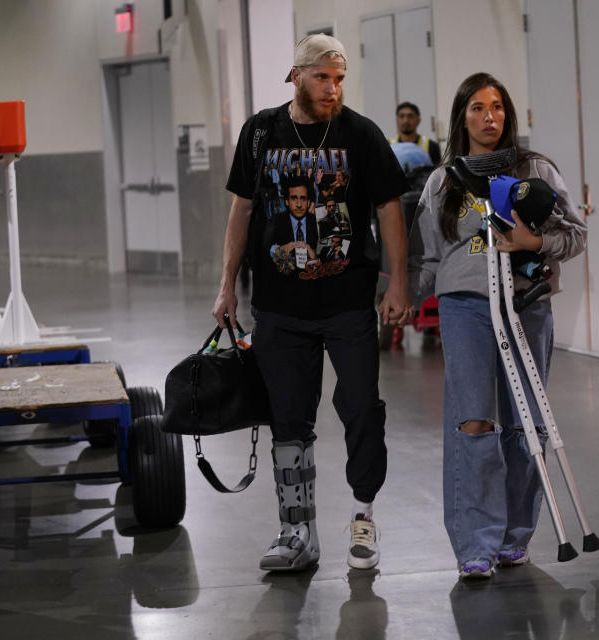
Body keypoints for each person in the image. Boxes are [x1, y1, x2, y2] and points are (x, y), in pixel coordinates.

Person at [212, 34, 415, 573]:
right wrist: (227, 284)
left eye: (341, 78)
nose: (333, 88)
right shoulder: (260, 133)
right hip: (279, 307)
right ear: (296, 76)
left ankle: (364, 514)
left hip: (348, 303)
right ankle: (296, 530)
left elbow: (389, 208)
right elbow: (242, 211)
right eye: (323, 77)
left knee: (362, 408)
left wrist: (398, 283)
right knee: (288, 421)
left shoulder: (360, 134)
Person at [408, 72, 587, 578]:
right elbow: (428, 256)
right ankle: (475, 546)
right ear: (461, 117)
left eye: (498, 107)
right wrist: (399, 299)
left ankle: (514, 535)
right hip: (465, 307)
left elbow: (575, 235)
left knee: (526, 422)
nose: (490, 117)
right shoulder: (444, 180)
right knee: (474, 421)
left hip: (527, 304)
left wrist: (534, 244)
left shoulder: (537, 171)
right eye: (478, 108)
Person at [390, 102, 441, 166]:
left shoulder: (432, 146)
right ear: (397, 120)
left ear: (418, 120)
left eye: (410, 116)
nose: (406, 120)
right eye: (401, 116)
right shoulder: (388, 145)